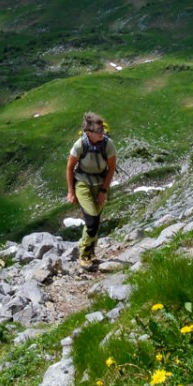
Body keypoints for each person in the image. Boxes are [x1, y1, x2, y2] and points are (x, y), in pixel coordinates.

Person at [65, 112, 117, 270]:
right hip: (82, 183)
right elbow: (69, 168)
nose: (103, 133)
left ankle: (92, 251)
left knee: (96, 220)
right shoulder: (80, 145)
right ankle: (84, 254)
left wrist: (103, 191)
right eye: (99, 131)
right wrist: (71, 192)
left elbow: (111, 169)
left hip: (100, 184)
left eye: (102, 129)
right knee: (92, 220)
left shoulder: (108, 145)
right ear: (88, 132)